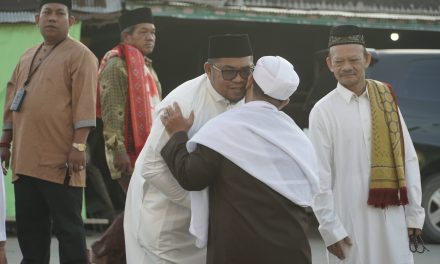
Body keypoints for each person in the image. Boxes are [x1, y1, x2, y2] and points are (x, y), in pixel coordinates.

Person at [159, 56, 320, 264]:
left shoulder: (224, 129)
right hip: (292, 251)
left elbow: (192, 176)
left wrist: (177, 135)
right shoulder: (299, 139)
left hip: (240, 250)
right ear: (286, 101)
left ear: (250, 81)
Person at [124, 34, 253, 263]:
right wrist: (201, 206)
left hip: (210, 228)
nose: (239, 79)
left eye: (246, 71)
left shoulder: (247, 99)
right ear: (208, 69)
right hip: (168, 226)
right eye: (228, 71)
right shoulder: (182, 104)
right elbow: (151, 168)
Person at [309, 25, 425, 263]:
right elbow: (319, 176)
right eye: (339, 61)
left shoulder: (385, 98)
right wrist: (330, 229)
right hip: (349, 223)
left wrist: (414, 213)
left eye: (354, 59)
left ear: (367, 59)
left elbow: (407, 158)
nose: (347, 67)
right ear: (330, 64)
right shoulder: (323, 111)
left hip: (393, 219)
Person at [0, 0, 98, 263]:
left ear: (72, 21)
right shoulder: (26, 55)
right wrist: (4, 143)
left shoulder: (81, 55)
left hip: (61, 162)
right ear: (36, 19)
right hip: (25, 162)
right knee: (31, 232)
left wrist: (79, 146)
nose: (52, 18)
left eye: (59, 13)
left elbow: (85, 103)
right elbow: (11, 100)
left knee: (69, 231)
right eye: (47, 13)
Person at [89, 7, 162, 264]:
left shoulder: (146, 67)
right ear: (126, 36)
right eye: (143, 32)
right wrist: (117, 148)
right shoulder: (116, 64)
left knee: (141, 208)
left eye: (153, 32)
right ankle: (100, 251)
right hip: (127, 153)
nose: (150, 37)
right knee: (141, 207)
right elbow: (110, 110)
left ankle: (113, 256)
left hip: (149, 153)